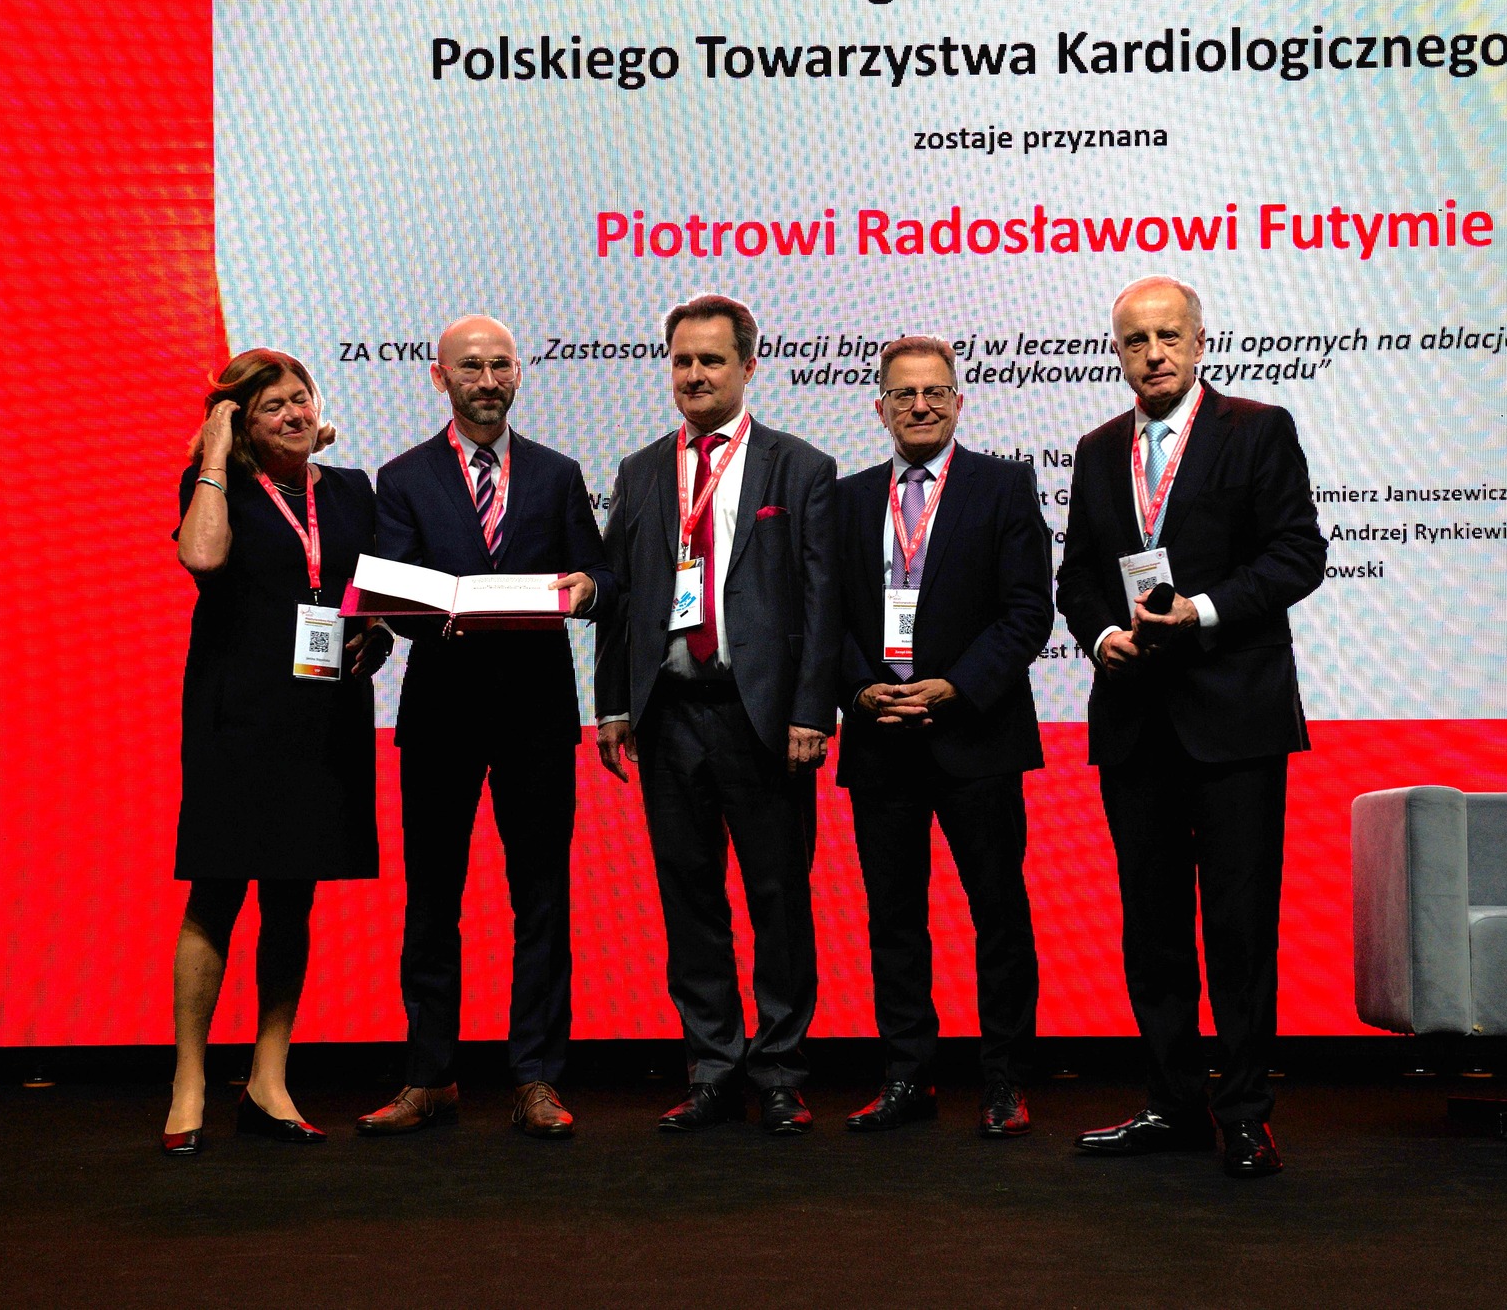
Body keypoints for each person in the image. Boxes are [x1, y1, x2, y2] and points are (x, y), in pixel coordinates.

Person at [1055, 277, 1326, 1178]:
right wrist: (1103, 636)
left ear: (1201, 340)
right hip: (1135, 721)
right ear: (1118, 353)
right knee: (1153, 928)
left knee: (1240, 928)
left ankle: (1245, 1113)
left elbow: (1298, 554)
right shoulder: (1098, 451)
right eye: (1136, 340)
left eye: (1169, 335)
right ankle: (1173, 1105)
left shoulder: (1258, 428)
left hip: (1236, 719)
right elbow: (1077, 577)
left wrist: (1202, 611)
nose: (1154, 353)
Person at [356, 316, 610, 1140]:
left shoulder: (558, 473)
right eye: (471, 367)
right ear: (441, 377)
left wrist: (588, 588)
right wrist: (435, 611)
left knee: (542, 899)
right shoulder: (402, 477)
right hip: (441, 714)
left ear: (519, 373)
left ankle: (536, 1077)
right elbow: (393, 593)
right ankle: (430, 1076)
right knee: (433, 900)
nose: (488, 380)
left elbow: (599, 572)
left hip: (538, 714)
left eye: (501, 365)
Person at [595, 293, 840, 1135]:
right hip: (668, 716)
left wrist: (811, 709)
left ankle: (780, 1070)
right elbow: (621, 598)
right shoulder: (639, 470)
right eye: (682, 360)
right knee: (689, 897)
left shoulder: (799, 467)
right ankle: (711, 1066)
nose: (694, 374)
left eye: (711, 359)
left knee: (779, 900)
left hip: (760, 717)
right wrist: (613, 704)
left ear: (748, 366)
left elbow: (822, 601)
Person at [164, 349, 393, 1155]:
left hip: (324, 717)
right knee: (217, 891)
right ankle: (190, 1079)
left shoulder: (353, 490)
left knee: (293, 897)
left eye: (302, 398)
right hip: (238, 715)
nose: (295, 413)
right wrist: (216, 451)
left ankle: (269, 1077)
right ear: (240, 423)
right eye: (272, 407)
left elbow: (370, 597)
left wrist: (378, 635)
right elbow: (202, 557)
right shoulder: (214, 487)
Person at [833, 337, 1053, 1138]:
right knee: (893, 919)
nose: (920, 405)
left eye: (935, 392)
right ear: (880, 407)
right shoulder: (846, 498)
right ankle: (907, 1074)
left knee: (998, 912)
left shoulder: (1004, 485)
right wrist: (860, 689)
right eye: (904, 393)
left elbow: (1028, 610)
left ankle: (1004, 1079)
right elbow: (823, 614)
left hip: (977, 734)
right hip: (879, 737)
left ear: (959, 401)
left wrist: (956, 686)